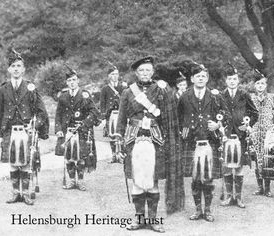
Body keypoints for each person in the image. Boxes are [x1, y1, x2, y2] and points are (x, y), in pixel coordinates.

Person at [117, 56, 181, 233]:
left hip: (155, 140)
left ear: (153, 72)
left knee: (152, 181)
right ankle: (138, 219)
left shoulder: (161, 90)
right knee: (137, 181)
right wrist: (119, 144)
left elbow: (168, 116)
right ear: (136, 73)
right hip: (133, 140)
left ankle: (153, 220)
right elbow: (121, 120)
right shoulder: (128, 93)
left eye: (148, 70)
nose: (145, 73)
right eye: (141, 70)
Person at [178, 63, 231, 222]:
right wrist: (183, 130)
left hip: (210, 142)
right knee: (195, 179)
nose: (200, 79)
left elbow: (227, 116)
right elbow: (178, 118)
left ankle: (207, 210)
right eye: (197, 76)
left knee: (207, 178)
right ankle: (197, 210)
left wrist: (218, 124)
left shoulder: (215, 96)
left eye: (203, 76)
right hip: (191, 143)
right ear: (192, 79)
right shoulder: (184, 96)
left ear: (207, 78)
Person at [0, 48, 49, 205]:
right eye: (13, 66)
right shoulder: (3, 88)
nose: (16, 69)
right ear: (9, 69)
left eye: (19, 65)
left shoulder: (31, 87)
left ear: (24, 69)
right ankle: (15, 193)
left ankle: (25, 193)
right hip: (10, 132)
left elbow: (42, 112)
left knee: (26, 162)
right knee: (13, 162)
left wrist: (35, 126)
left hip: (27, 131)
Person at [55, 65, 100, 191]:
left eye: (74, 80)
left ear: (78, 80)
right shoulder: (63, 96)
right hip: (68, 131)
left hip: (82, 131)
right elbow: (58, 114)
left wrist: (85, 123)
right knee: (69, 157)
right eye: (69, 80)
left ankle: (80, 181)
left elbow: (94, 112)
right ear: (66, 82)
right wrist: (58, 129)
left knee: (81, 158)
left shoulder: (85, 95)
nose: (72, 82)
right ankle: (71, 181)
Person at [220, 63, 258, 208]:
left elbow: (255, 113)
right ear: (226, 81)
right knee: (227, 166)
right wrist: (220, 127)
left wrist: (248, 125)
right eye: (229, 79)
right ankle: (229, 196)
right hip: (226, 135)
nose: (232, 81)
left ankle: (239, 197)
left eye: (234, 79)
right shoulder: (221, 95)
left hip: (240, 136)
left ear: (238, 80)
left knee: (240, 166)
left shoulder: (244, 94)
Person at [249, 73, 274, 197]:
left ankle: (267, 188)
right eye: (258, 83)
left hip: (268, 133)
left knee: (268, 160)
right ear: (254, 85)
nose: (260, 86)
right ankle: (260, 187)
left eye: (262, 83)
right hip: (255, 133)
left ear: (266, 85)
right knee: (257, 159)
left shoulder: (273, 98)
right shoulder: (250, 98)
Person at [99, 63, 127, 163]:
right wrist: (102, 116)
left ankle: (122, 154)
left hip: (121, 114)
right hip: (110, 115)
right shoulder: (105, 89)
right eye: (113, 74)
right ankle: (114, 155)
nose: (115, 76)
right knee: (111, 135)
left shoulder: (123, 88)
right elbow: (102, 103)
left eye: (116, 74)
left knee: (121, 134)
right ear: (109, 76)